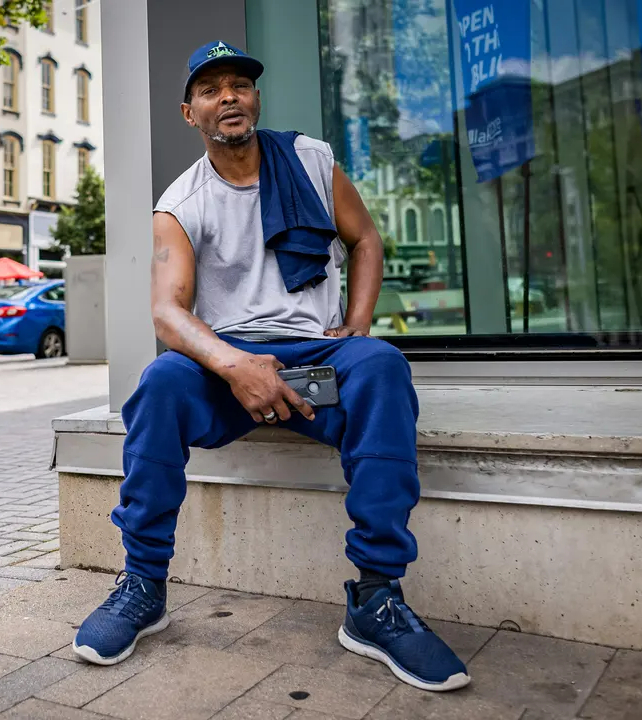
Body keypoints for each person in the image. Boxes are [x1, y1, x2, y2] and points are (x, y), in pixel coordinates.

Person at [71, 41, 470, 693]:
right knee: (162, 381)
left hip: (314, 356)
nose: (228, 95)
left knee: (380, 367)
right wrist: (235, 366)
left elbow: (364, 238)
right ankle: (143, 585)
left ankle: (375, 599)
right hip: (231, 368)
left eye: (239, 84)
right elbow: (168, 316)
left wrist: (357, 325)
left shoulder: (311, 161)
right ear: (188, 112)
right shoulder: (181, 203)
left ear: (253, 99)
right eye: (210, 89)